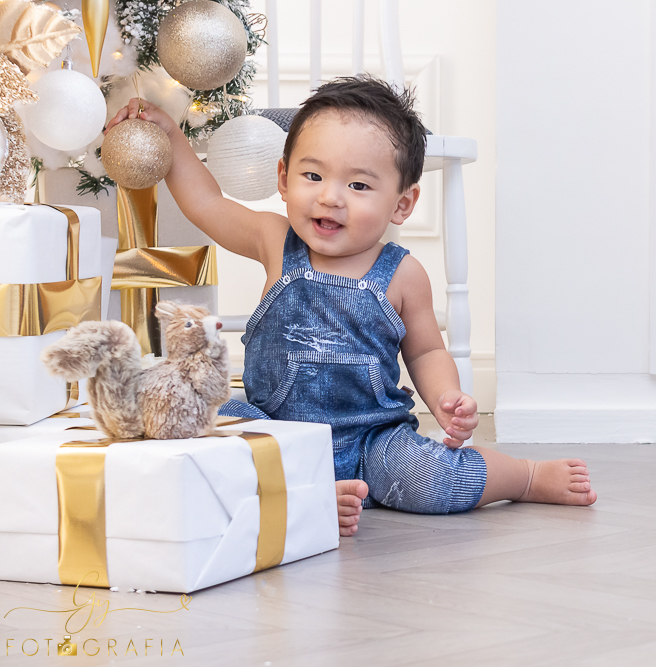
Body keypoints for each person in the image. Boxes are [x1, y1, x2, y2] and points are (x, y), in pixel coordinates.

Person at [106, 76, 596, 536]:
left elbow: (425, 352)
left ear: (402, 204)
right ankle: (303, 494)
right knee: (207, 434)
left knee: (434, 481)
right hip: (272, 427)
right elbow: (207, 203)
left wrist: (447, 401)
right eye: (313, 175)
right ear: (283, 177)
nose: (330, 197)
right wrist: (168, 136)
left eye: (358, 185)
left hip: (373, 443)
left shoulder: (401, 273)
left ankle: (525, 477)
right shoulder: (274, 241)